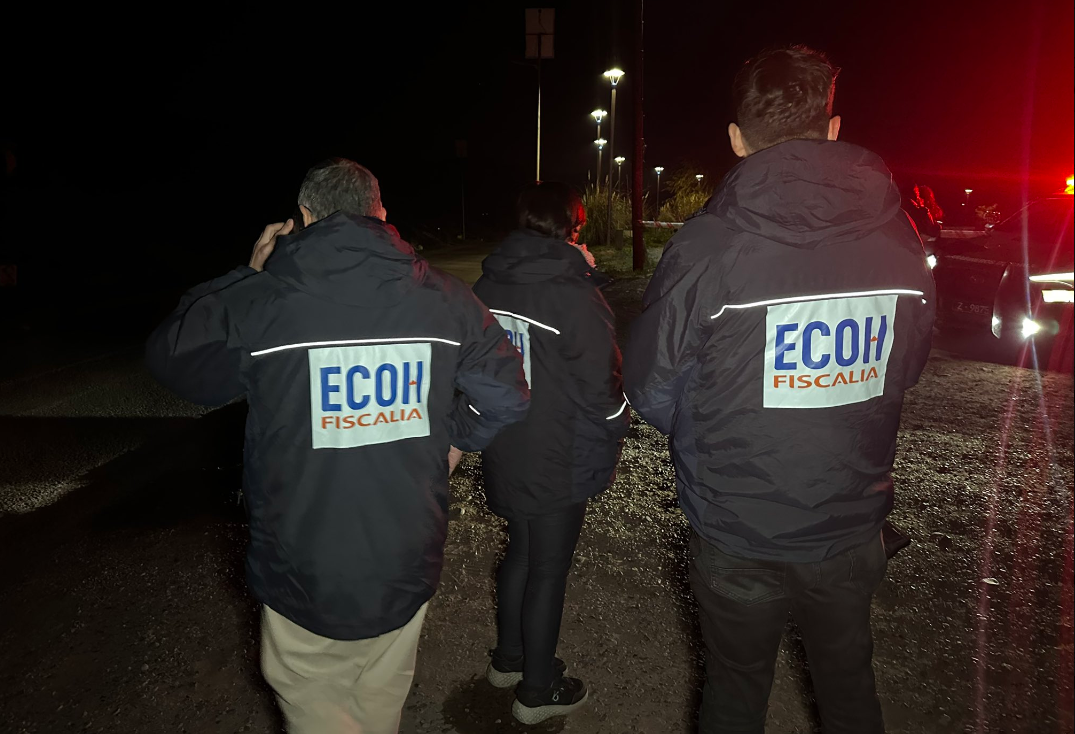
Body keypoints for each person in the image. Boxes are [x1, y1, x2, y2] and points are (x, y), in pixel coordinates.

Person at [145, 158, 530, 734]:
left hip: (303, 566)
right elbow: (507, 394)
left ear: (303, 217)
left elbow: (173, 359)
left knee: (316, 704)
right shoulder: (447, 299)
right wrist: (454, 440)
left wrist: (248, 272)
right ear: (382, 213)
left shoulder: (262, 301)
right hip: (405, 556)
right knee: (380, 700)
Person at [623, 47, 935, 734]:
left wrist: (720, 427)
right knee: (850, 688)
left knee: (734, 694)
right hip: (850, 521)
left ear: (737, 140)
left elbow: (650, 386)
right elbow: (905, 365)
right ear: (833, 128)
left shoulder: (708, 247)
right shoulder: (899, 240)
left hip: (738, 526)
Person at [470, 182, 630, 725]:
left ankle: (509, 659)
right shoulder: (571, 293)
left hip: (508, 442)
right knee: (548, 568)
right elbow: (603, 382)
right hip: (558, 450)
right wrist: (618, 428)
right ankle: (537, 691)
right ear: (573, 227)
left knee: (522, 549)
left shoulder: (489, 282)